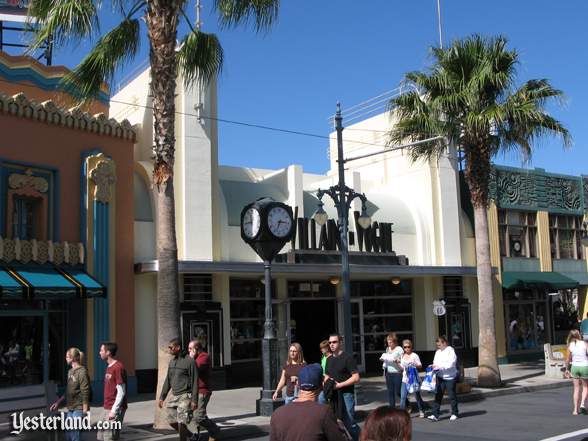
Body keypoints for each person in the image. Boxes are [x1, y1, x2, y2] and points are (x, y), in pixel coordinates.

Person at [270, 363, 348, 441]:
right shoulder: (324, 412)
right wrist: (341, 428)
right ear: (322, 385)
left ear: (298, 384)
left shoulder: (277, 414)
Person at [158, 338, 199, 441]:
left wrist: (194, 400)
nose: (170, 349)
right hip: (175, 395)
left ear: (178, 347)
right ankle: (191, 436)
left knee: (182, 421)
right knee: (171, 420)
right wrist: (162, 397)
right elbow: (168, 380)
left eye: (171, 347)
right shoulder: (172, 362)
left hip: (186, 396)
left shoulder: (190, 362)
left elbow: (195, 381)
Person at [324, 333, 360, 441]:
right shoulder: (329, 359)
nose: (331, 344)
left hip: (346, 394)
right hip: (333, 395)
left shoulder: (347, 358)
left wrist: (340, 385)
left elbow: (356, 378)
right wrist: (326, 382)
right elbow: (327, 375)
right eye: (330, 342)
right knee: (333, 421)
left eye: (334, 342)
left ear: (340, 343)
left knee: (349, 422)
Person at [49, 347, 90, 441]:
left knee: (75, 435)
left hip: (78, 407)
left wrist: (85, 410)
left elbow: (85, 391)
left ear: (73, 358)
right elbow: (68, 390)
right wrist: (58, 402)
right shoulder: (70, 372)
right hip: (70, 407)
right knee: (68, 435)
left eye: (67, 356)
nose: (65, 358)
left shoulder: (82, 372)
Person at [188, 338, 221, 441]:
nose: (189, 351)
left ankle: (214, 430)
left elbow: (195, 369)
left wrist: (191, 358)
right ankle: (195, 435)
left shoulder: (204, 357)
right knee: (190, 415)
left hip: (202, 392)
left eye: (190, 349)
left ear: (196, 349)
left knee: (199, 416)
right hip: (194, 391)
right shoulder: (195, 358)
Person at [98, 342, 127, 441]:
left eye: (101, 350)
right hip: (106, 407)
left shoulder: (118, 367)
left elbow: (121, 391)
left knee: (109, 437)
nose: (99, 352)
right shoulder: (109, 367)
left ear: (108, 352)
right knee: (101, 437)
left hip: (114, 409)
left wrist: (114, 411)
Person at [428, 336, 459, 422]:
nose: (438, 347)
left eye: (439, 345)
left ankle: (454, 413)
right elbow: (435, 362)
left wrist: (440, 366)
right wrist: (433, 366)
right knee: (438, 395)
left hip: (450, 377)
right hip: (440, 376)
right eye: (437, 345)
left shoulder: (451, 351)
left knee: (452, 395)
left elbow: (451, 364)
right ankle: (435, 414)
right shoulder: (438, 352)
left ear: (444, 343)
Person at [398, 339, 425, 418]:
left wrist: (414, 364)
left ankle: (421, 410)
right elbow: (402, 367)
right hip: (405, 379)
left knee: (417, 396)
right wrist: (398, 363)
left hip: (413, 379)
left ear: (411, 346)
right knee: (403, 397)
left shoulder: (414, 355)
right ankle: (402, 414)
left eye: (408, 347)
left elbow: (420, 365)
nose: (407, 348)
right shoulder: (402, 356)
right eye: (405, 347)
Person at [565, 329, 588, 415]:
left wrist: (567, 369)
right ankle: (582, 404)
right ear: (579, 335)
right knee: (586, 387)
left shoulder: (570, 345)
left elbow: (568, 359)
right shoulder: (585, 344)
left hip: (574, 367)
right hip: (585, 366)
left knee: (576, 388)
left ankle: (575, 410)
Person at [380, 332, 404, 408]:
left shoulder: (399, 349)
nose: (389, 344)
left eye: (390, 342)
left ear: (395, 342)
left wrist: (398, 360)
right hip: (389, 373)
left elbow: (403, 360)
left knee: (398, 392)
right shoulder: (388, 349)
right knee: (390, 392)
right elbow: (387, 359)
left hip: (397, 373)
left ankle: (406, 403)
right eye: (388, 342)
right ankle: (392, 409)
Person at [318, 340, 331, 404]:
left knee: (322, 398)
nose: (321, 350)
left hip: (328, 379)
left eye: (322, 348)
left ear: (327, 348)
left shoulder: (331, 357)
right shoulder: (323, 357)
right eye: (320, 348)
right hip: (323, 379)